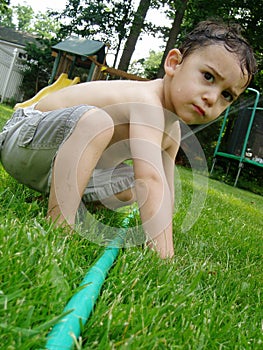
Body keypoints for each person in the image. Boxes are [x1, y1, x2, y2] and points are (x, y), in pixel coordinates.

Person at [0, 20, 257, 258]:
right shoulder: (147, 101)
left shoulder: (173, 131)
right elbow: (151, 178)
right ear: (174, 64)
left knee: (131, 188)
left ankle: (56, 198)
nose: (212, 98)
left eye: (227, 96)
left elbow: (163, 191)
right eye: (208, 77)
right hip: (24, 138)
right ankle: (58, 225)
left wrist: (163, 242)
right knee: (96, 121)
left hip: (52, 165)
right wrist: (163, 259)